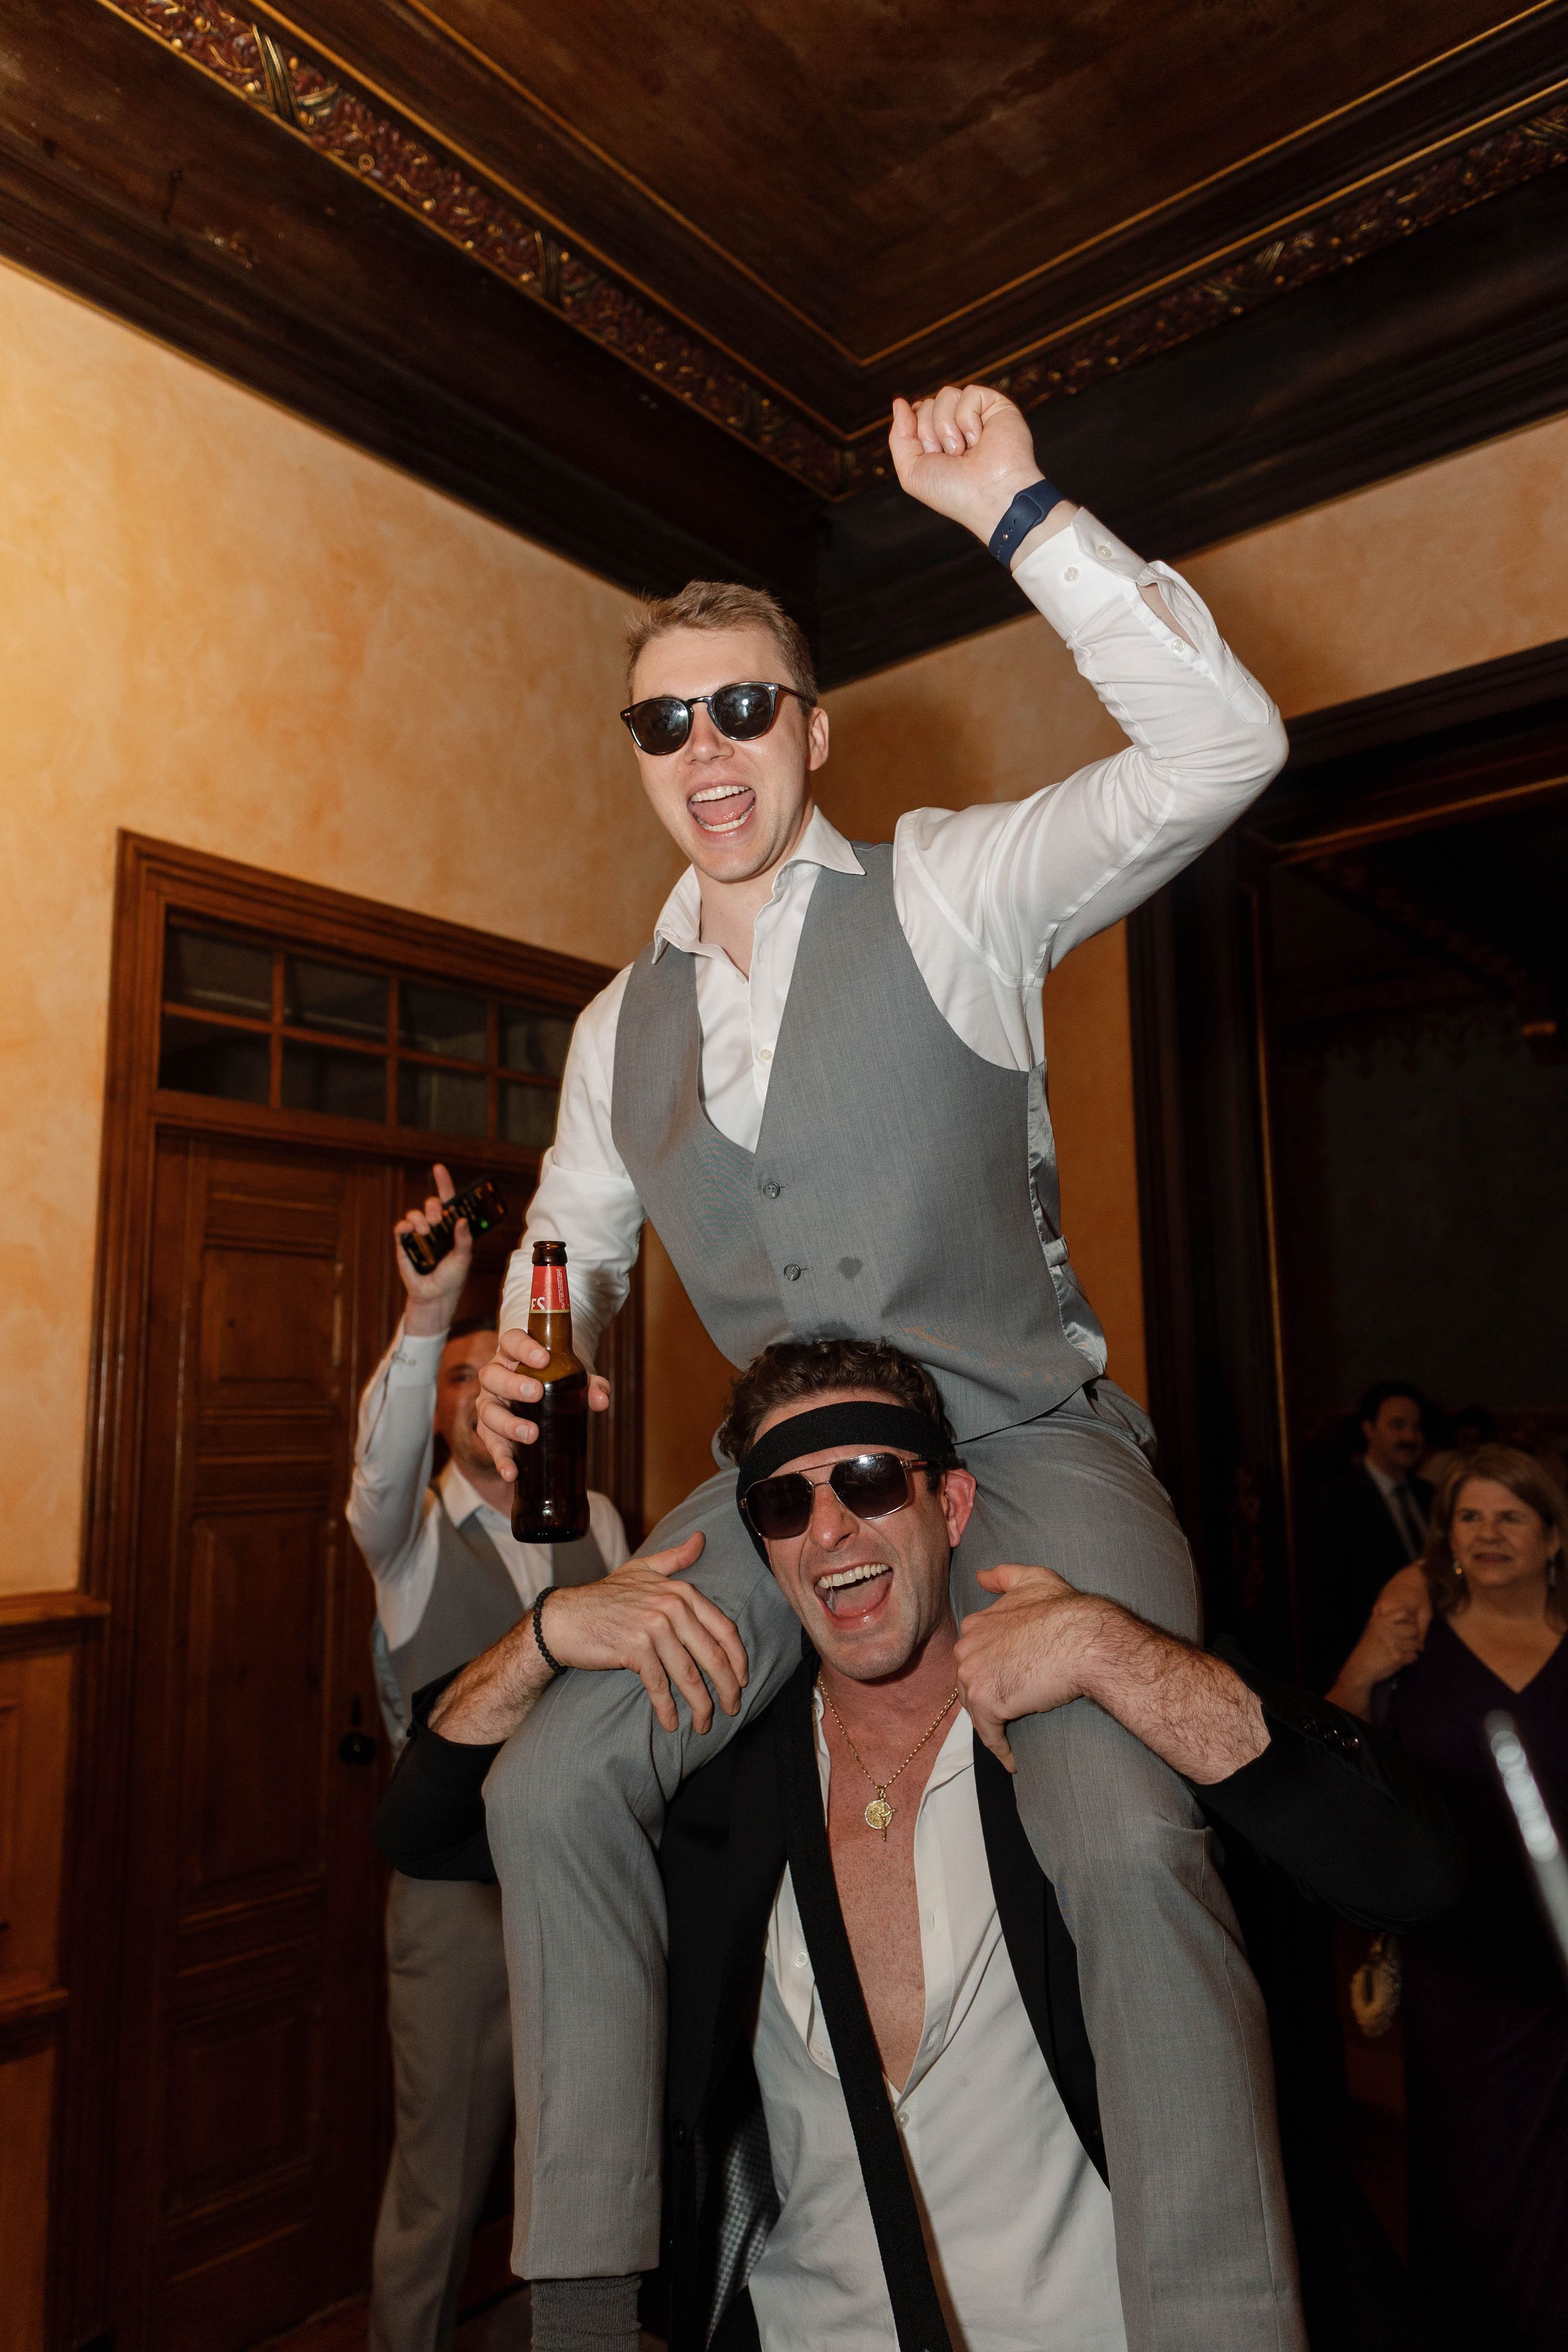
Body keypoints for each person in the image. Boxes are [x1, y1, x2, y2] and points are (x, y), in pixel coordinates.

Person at [471, 379, 1297, 2352]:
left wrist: (1016, 513)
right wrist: (504, 1364)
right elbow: (562, 1263)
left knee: (1107, 1819)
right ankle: (591, 2305)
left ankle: (1211, 2316)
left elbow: (1221, 744)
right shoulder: (616, 1029)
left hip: (1017, 1434)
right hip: (774, 1482)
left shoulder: (950, 885)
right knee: (554, 1782)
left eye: (740, 705)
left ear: (809, 731)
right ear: (641, 759)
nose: (705, 749)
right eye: (662, 721)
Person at [382, 1338, 1463, 2351]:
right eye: (784, 1503)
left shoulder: (1100, 1748)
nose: (832, 1531)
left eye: (866, 1478)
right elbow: (426, 1830)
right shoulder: (719, 1786)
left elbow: (1415, 1871)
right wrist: (542, 1639)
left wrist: (1113, 1653)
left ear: (951, 1506)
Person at [346, 1166, 629, 2352]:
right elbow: (379, 1467)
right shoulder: (402, 1542)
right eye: (457, 1381)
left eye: (489, 1370)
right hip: (454, 1912)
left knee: (583, 2174)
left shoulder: (601, 1525)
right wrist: (428, 1319)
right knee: (439, 2187)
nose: (476, 1394)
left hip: (578, 1895)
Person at [1328, 1444, 1568, 2352]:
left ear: (1553, 1537)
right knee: (1469, 2184)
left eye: (1513, 1516)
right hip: (1460, 1966)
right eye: (1470, 1516)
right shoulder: (1413, 1635)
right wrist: (1364, 1661)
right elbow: (1330, 1760)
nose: (1490, 1534)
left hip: (1566, 1961)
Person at [1304, 1382, 1433, 1687]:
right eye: (1398, 1426)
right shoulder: (1335, 1500)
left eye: (1416, 1427)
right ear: (1369, 1430)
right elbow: (1325, 1600)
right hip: (1368, 1664)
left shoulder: (1429, 1495)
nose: (1410, 1437)